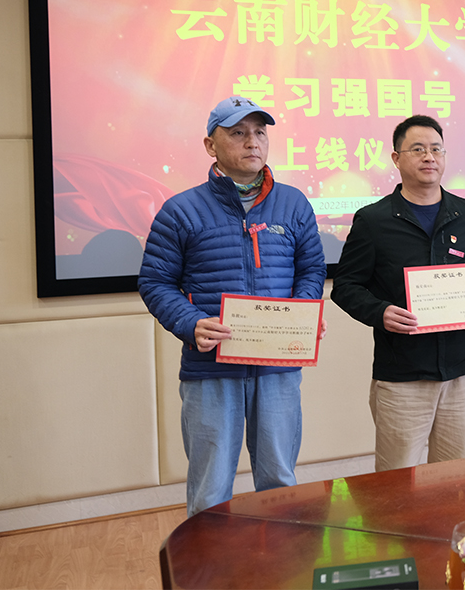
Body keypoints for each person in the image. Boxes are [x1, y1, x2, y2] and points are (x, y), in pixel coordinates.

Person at [138, 96, 327, 516]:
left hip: (277, 368)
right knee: (210, 488)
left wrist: (303, 312)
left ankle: (280, 557)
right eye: (238, 133)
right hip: (210, 369)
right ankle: (207, 560)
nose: (252, 142)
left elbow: (312, 269)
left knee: (279, 483)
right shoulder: (181, 210)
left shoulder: (293, 204)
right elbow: (154, 282)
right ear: (211, 145)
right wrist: (190, 323)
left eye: (260, 132)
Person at [331, 115, 465, 471]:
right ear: (396, 158)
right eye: (417, 149)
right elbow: (346, 286)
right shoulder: (373, 220)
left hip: (460, 371)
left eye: (436, 149)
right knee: (398, 478)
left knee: (453, 476)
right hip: (403, 374)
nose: (429, 157)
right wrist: (380, 311)